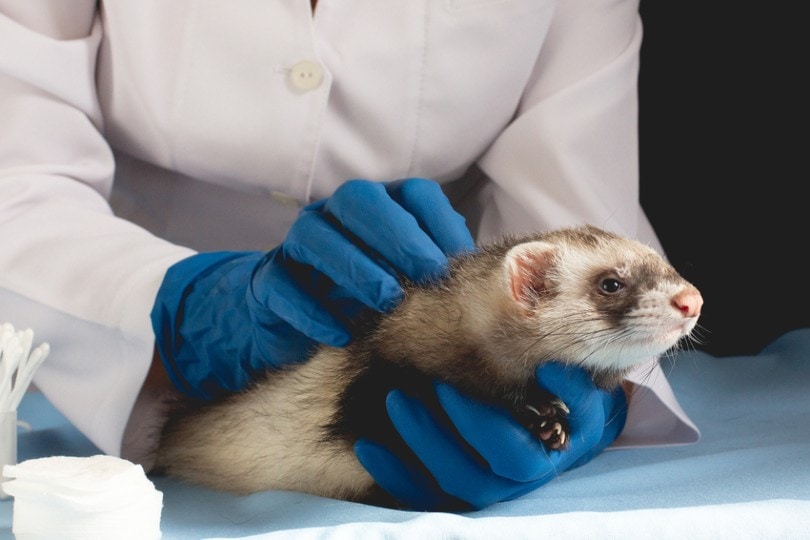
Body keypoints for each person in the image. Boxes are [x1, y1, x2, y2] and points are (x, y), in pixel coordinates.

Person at [0, 1, 698, 510]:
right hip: (96, 362)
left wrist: (600, 398)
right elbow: (16, 173)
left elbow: (572, 221)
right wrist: (169, 305)